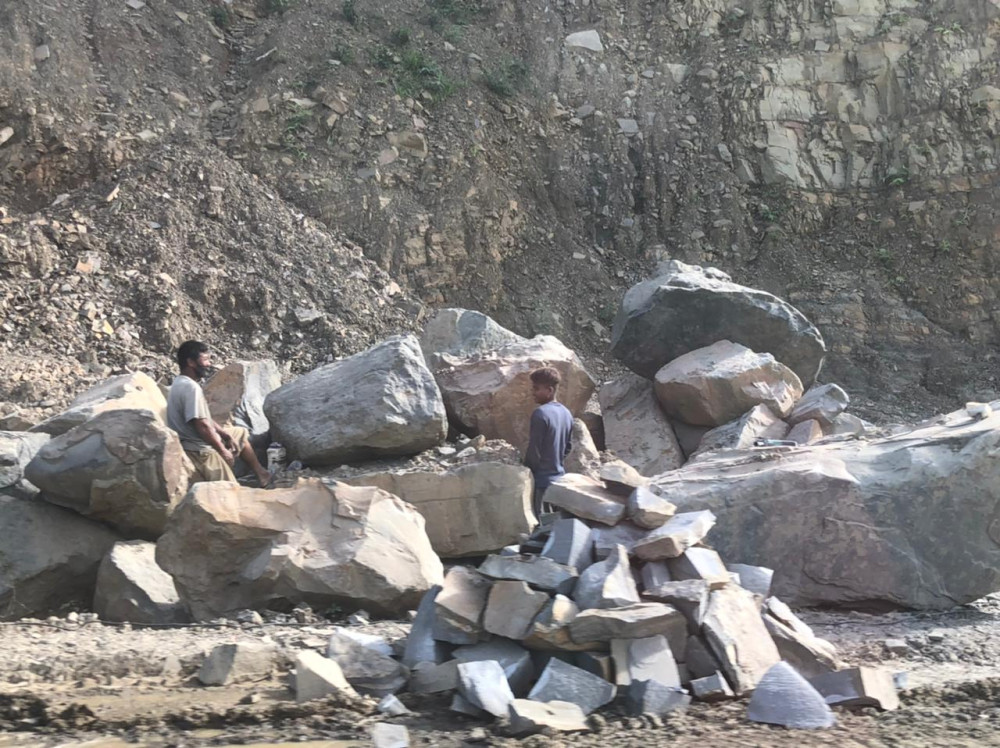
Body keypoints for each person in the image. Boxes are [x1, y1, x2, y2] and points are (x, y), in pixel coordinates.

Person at [167, 340, 272, 487]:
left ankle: (262, 473)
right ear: (190, 362)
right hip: (200, 451)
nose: (209, 364)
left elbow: (205, 418)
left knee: (239, 433)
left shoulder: (179, 383)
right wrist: (222, 450)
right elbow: (202, 425)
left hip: (196, 441)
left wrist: (225, 435)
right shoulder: (191, 389)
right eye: (205, 360)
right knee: (229, 492)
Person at [524, 366, 573, 517]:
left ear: (550, 390)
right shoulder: (566, 413)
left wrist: (527, 470)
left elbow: (534, 451)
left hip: (543, 484)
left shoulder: (540, 414)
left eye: (536, 388)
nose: (533, 392)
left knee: (542, 531)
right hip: (560, 480)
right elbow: (568, 447)